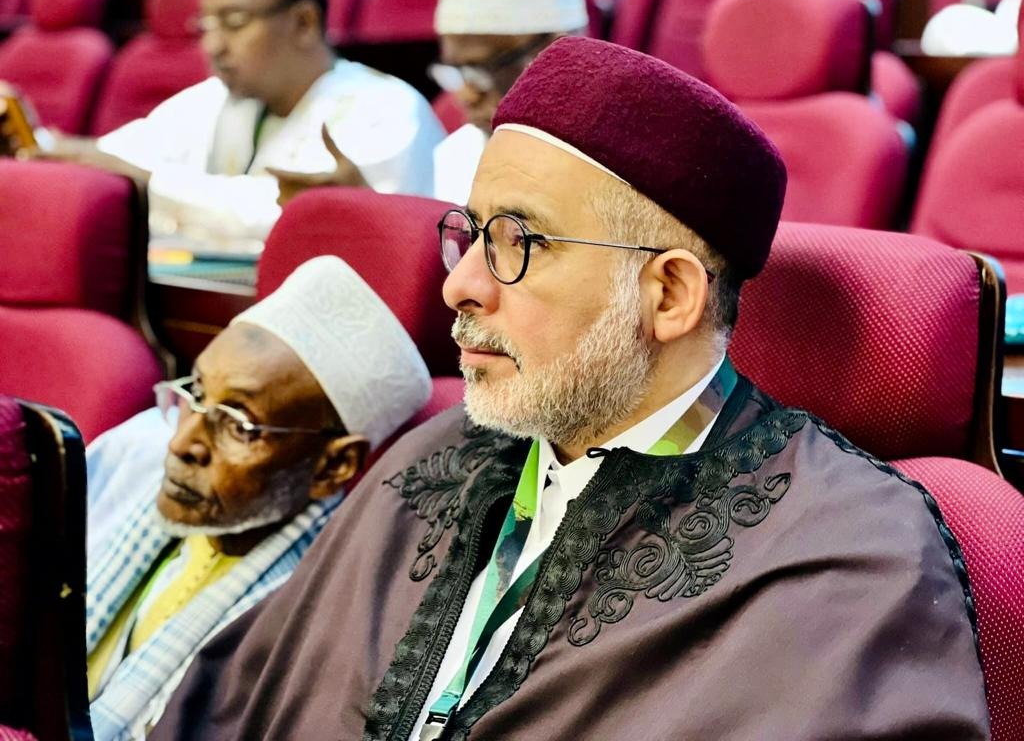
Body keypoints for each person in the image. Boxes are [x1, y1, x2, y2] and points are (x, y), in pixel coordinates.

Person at [149, 37, 989, 740]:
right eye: (471, 234)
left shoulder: (848, 551)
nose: (460, 285)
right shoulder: (434, 456)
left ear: (669, 295)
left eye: (520, 242)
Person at [84, 255, 432, 740]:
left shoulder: (317, 613)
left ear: (332, 466)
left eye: (238, 424)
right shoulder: (132, 453)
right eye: (196, 392)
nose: (182, 443)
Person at [45, 0, 445, 247]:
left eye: (234, 23)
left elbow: (285, 220)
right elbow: (119, 155)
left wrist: (149, 182)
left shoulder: (386, 109)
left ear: (304, 22)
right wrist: (48, 147)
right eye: (206, 26)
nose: (212, 46)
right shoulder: (221, 97)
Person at [429, 0, 588, 204]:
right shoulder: (456, 157)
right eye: (457, 71)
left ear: (559, 51)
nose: (466, 95)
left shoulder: (617, 167)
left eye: (480, 70)